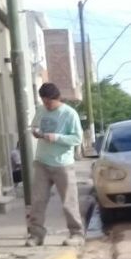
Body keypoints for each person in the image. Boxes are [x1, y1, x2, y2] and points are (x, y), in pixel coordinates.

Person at [26, 83, 85, 247]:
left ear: (56, 99)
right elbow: (35, 124)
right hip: (42, 162)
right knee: (38, 200)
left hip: (62, 164)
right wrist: (36, 131)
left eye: (48, 102)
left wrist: (57, 137)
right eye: (44, 102)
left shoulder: (69, 114)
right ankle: (36, 234)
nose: (46, 105)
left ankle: (76, 234)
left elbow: (77, 139)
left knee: (69, 200)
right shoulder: (41, 110)